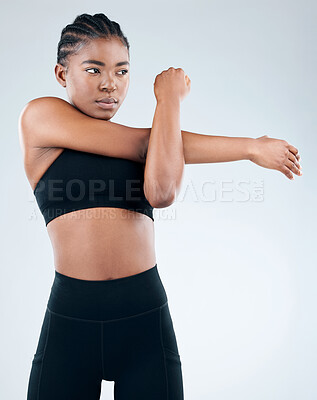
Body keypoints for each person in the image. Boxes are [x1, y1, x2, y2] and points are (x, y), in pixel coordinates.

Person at [18, 13, 302, 400]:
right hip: (71, 321)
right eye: (93, 69)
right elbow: (143, 143)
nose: (110, 84)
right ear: (61, 74)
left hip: (144, 318)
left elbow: (162, 191)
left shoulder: (154, 145)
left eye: (122, 72)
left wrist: (252, 147)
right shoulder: (40, 117)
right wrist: (171, 98)